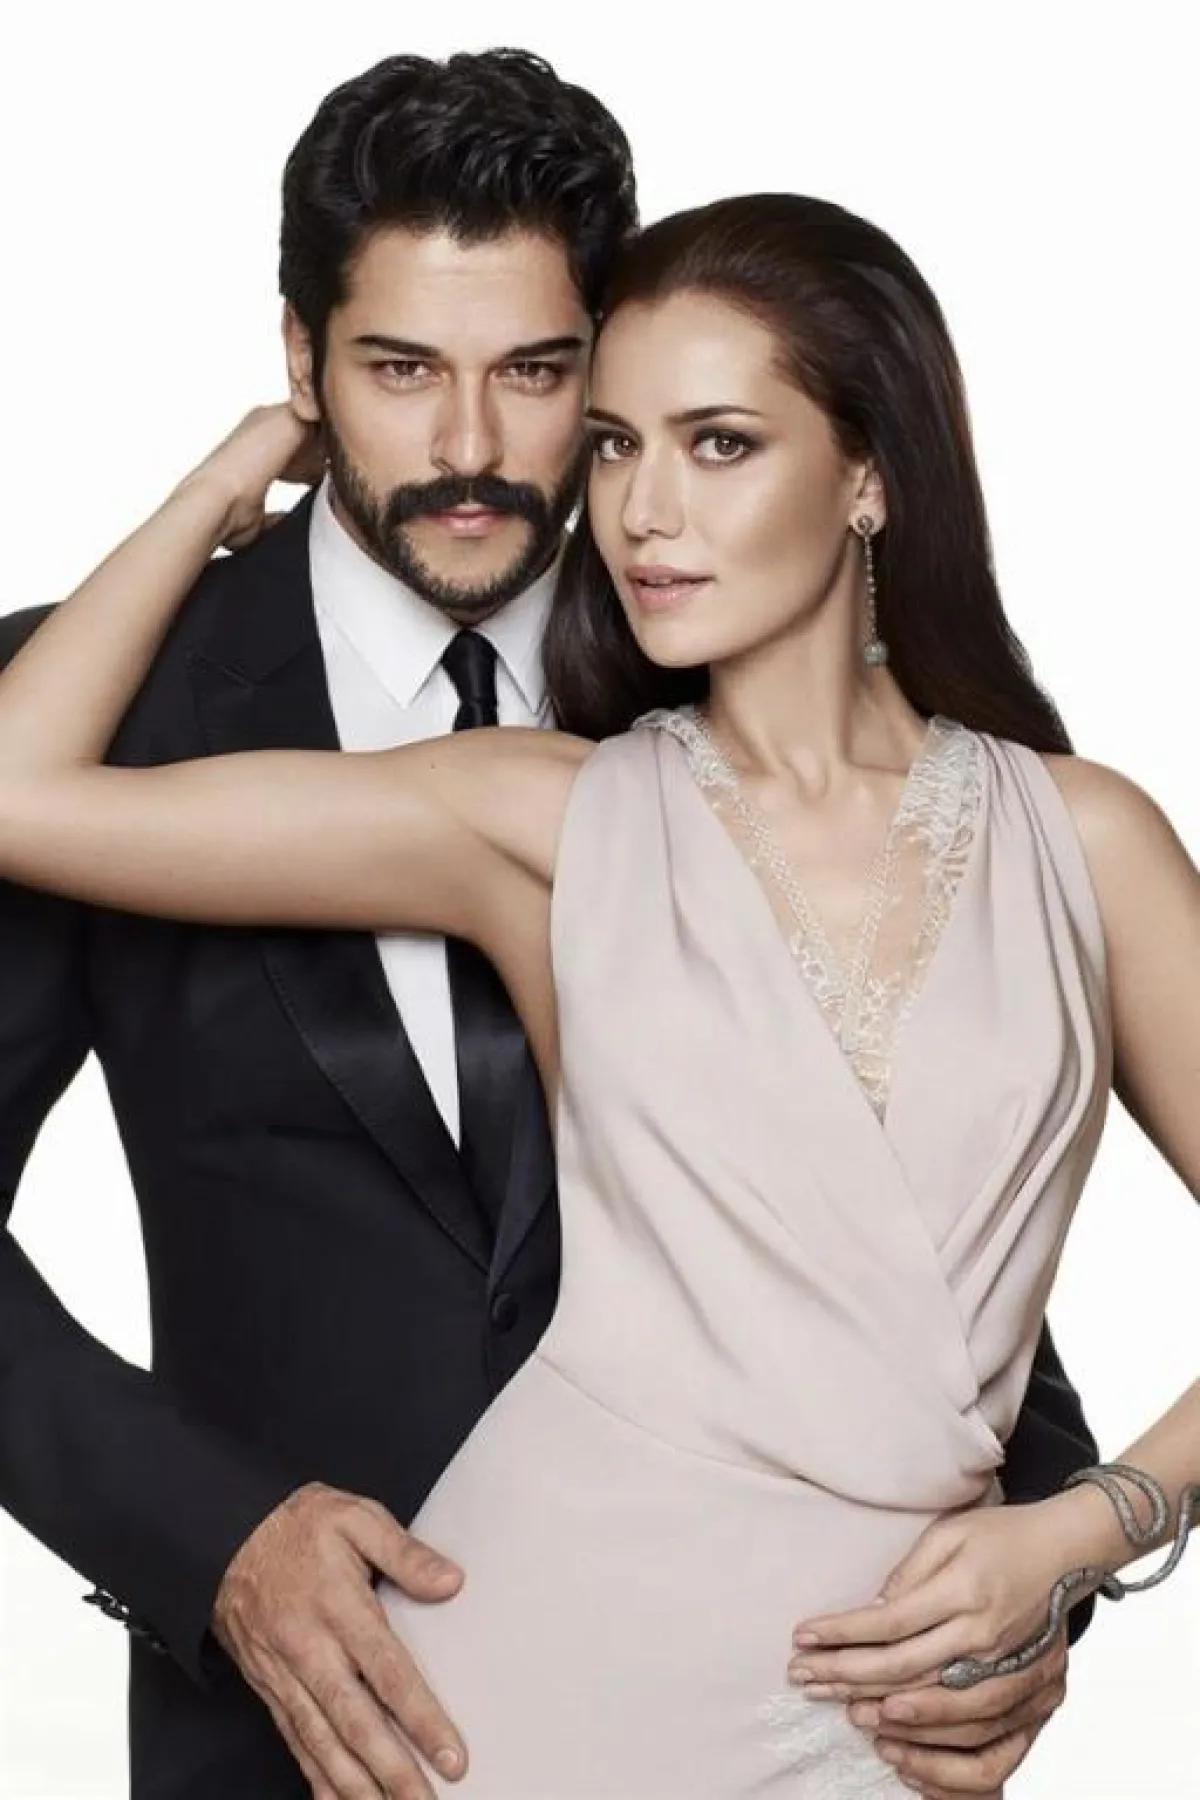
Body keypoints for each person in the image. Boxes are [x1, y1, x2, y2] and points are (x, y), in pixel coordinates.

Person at [2, 189, 1197, 1799]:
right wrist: (229, 481)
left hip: (880, 1724)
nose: (641, 511)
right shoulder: (549, 814)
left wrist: (1087, 1529)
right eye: (621, 447)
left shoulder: (1085, 844)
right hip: (503, 1698)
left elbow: (921, 1302)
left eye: (719, 445)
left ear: (869, 474)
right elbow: (17, 794)